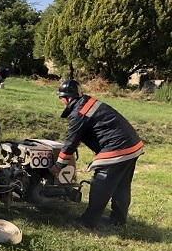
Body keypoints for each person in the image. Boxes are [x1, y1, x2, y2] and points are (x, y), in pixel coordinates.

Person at [49, 79, 144, 228]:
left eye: (60, 97)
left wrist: (58, 165)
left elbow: (70, 142)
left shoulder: (79, 112)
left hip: (118, 147)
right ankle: (118, 220)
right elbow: (97, 125)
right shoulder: (88, 102)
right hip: (133, 145)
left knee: (100, 183)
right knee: (122, 186)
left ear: (67, 98)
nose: (60, 100)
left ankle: (89, 221)